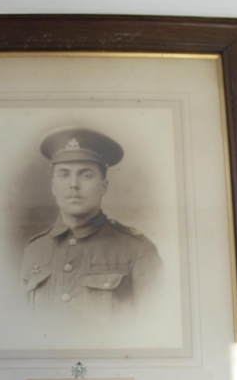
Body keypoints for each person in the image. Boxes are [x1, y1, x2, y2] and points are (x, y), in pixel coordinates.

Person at [20, 127, 161, 326]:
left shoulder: (138, 250)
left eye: (85, 175)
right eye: (64, 175)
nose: (73, 185)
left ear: (104, 186)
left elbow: (155, 329)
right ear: (53, 187)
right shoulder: (34, 250)